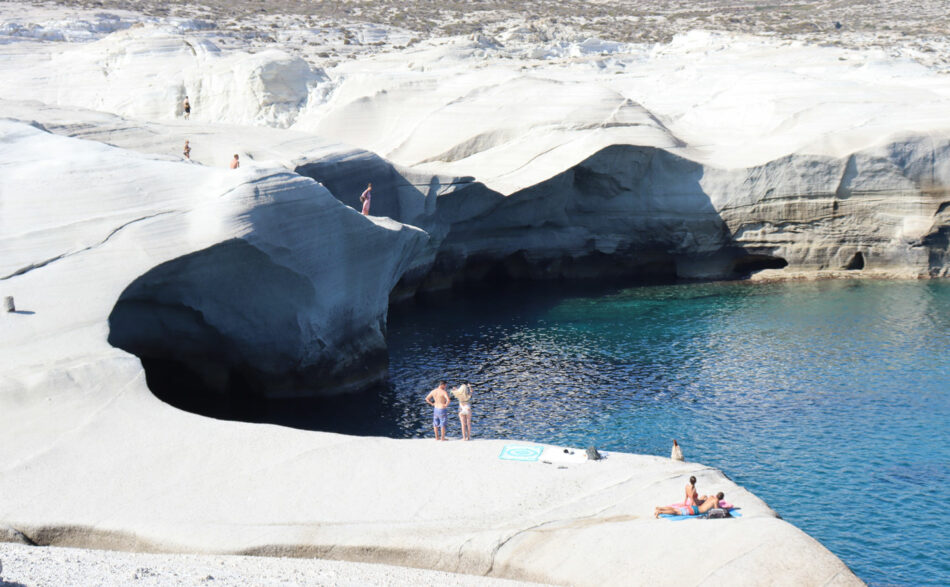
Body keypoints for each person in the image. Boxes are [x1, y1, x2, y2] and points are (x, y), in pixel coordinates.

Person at [654, 492, 724, 518]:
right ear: (720, 499)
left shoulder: (711, 497)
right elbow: (716, 510)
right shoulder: (716, 500)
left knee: (676, 509)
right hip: (695, 511)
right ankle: (660, 512)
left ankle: (660, 508)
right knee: (677, 512)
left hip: (694, 507)